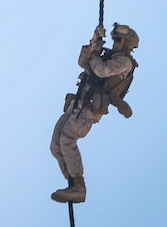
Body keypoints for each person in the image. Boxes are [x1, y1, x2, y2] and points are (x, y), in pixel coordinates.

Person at [49, 23, 139, 203]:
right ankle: (72, 182)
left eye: (118, 40)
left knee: (67, 139)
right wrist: (94, 41)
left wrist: (96, 51)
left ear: (126, 43)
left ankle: (78, 187)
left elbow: (101, 70)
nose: (114, 43)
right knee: (56, 144)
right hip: (78, 103)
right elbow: (83, 62)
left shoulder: (124, 62)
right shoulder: (108, 56)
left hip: (89, 108)